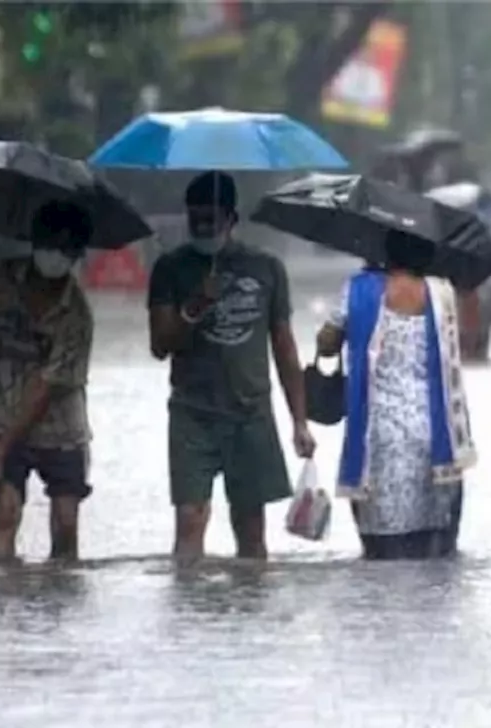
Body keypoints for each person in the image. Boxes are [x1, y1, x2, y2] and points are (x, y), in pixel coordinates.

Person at [147, 171, 315, 564]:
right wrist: (195, 307)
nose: (203, 227)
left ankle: (250, 613)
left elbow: (284, 348)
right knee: (190, 520)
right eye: (196, 219)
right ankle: (188, 613)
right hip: (192, 413)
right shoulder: (170, 269)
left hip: (250, 413)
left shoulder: (267, 268)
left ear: (231, 219)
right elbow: (159, 345)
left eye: (212, 219)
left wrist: (300, 421)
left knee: (251, 528)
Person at [315, 230, 477, 560]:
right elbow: (461, 344)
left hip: (380, 436)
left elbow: (326, 344)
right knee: (436, 551)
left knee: (380, 552)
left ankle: (384, 611)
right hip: (436, 435)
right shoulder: (441, 292)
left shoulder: (360, 290)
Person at [0, 201, 96, 562]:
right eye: (52, 243)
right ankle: (2, 598)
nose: (56, 254)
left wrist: (0, 452)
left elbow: (47, 389)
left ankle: (60, 604)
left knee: (66, 524)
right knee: (6, 512)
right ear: (35, 241)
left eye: (67, 248)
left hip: (62, 427)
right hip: (3, 413)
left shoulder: (77, 314)